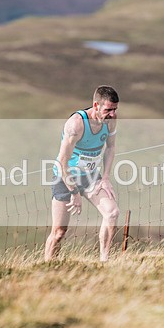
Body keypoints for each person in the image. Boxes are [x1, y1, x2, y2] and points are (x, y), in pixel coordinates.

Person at [45, 85, 120, 261]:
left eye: (115, 109)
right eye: (108, 110)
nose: (112, 114)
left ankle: (105, 261)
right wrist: (74, 191)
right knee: (59, 232)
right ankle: (46, 267)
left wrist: (106, 178)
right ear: (96, 106)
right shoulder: (76, 124)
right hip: (65, 177)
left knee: (112, 213)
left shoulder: (111, 120)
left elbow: (111, 147)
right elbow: (63, 162)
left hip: (91, 176)